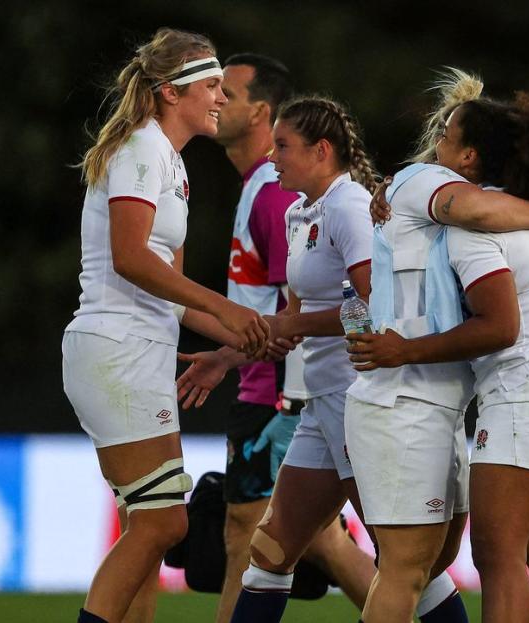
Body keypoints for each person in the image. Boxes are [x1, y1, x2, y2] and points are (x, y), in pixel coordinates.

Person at [348, 85, 529, 623]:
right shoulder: (528, 223)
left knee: (498, 557)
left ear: (470, 159)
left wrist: (404, 350)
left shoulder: (472, 228)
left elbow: (503, 327)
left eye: (446, 134)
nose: (433, 140)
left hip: (526, 390)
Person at [62, 28, 269, 623]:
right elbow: (130, 258)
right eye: (210, 86)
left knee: (146, 526)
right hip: (117, 347)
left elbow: (171, 295)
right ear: (170, 93)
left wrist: (245, 337)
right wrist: (228, 309)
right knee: (162, 522)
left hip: (142, 349)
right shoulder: (140, 149)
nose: (221, 100)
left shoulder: (171, 163)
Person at [174, 53, 373, 621]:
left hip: (291, 393)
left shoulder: (281, 195)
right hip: (279, 383)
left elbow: (321, 307)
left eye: (227, 93)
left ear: (262, 111)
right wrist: (226, 357)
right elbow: (280, 311)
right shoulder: (267, 189)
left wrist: (284, 396)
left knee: (254, 535)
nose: (215, 101)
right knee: (291, 540)